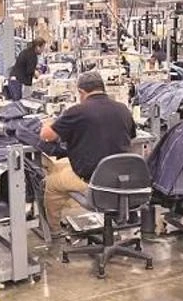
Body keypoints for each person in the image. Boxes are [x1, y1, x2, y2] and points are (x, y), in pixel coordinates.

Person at [39, 71, 137, 232]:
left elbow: (46, 136)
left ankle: (53, 230)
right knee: (61, 165)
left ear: (81, 92)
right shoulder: (123, 109)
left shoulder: (77, 111)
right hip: (122, 179)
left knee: (51, 183)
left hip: (93, 181)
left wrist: (47, 122)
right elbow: (131, 137)